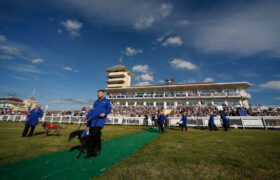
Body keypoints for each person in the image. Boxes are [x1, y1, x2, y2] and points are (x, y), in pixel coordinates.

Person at [82, 90, 111, 158]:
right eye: (98, 93)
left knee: (95, 134)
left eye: (100, 93)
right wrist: (86, 116)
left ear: (103, 94)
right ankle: (90, 152)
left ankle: (97, 149)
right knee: (91, 136)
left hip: (100, 121)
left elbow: (109, 109)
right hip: (93, 121)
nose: (98, 94)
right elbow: (92, 110)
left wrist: (105, 113)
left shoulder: (106, 101)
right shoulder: (96, 102)